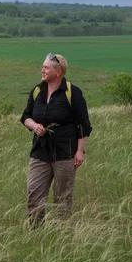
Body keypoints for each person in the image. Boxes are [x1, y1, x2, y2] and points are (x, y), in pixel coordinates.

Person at [20, 53, 92, 224]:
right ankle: (36, 233)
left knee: (62, 198)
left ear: (58, 72)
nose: (42, 70)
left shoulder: (72, 92)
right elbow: (25, 116)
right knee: (34, 195)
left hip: (65, 153)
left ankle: (62, 235)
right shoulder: (37, 91)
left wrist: (80, 151)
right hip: (40, 152)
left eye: (46, 67)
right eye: (43, 66)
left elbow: (83, 124)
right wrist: (34, 126)